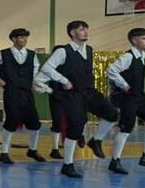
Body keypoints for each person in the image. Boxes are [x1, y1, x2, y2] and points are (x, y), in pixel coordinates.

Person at [39, 20, 120, 178]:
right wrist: (64, 81)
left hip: (89, 91)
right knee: (76, 125)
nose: (85, 32)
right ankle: (67, 165)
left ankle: (95, 140)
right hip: (72, 94)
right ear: (72, 33)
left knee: (112, 113)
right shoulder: (63, 51)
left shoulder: (89, 50)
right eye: (81, 29)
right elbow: (46, 68)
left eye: (86, 29)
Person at [0, 28, 47, 164]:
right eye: (21, 37)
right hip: (11, 91)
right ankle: (4, 152)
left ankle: (33, 150)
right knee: (11, 120)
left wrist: (34, 81)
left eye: (26, 37)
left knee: (35, 122)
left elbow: (36, 68)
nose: (24, 40)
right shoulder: (3, 54)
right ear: (13, 39)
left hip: (27, 91)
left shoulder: (32, 54)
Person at [106, 27, 145, 174]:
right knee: (126, 128)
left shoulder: (143, 56)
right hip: (127, 98)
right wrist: (124, 85)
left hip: (139, 96)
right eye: (143, 38)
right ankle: (115, 161)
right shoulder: (128, 57)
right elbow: (111, 70)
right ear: (134, 41)